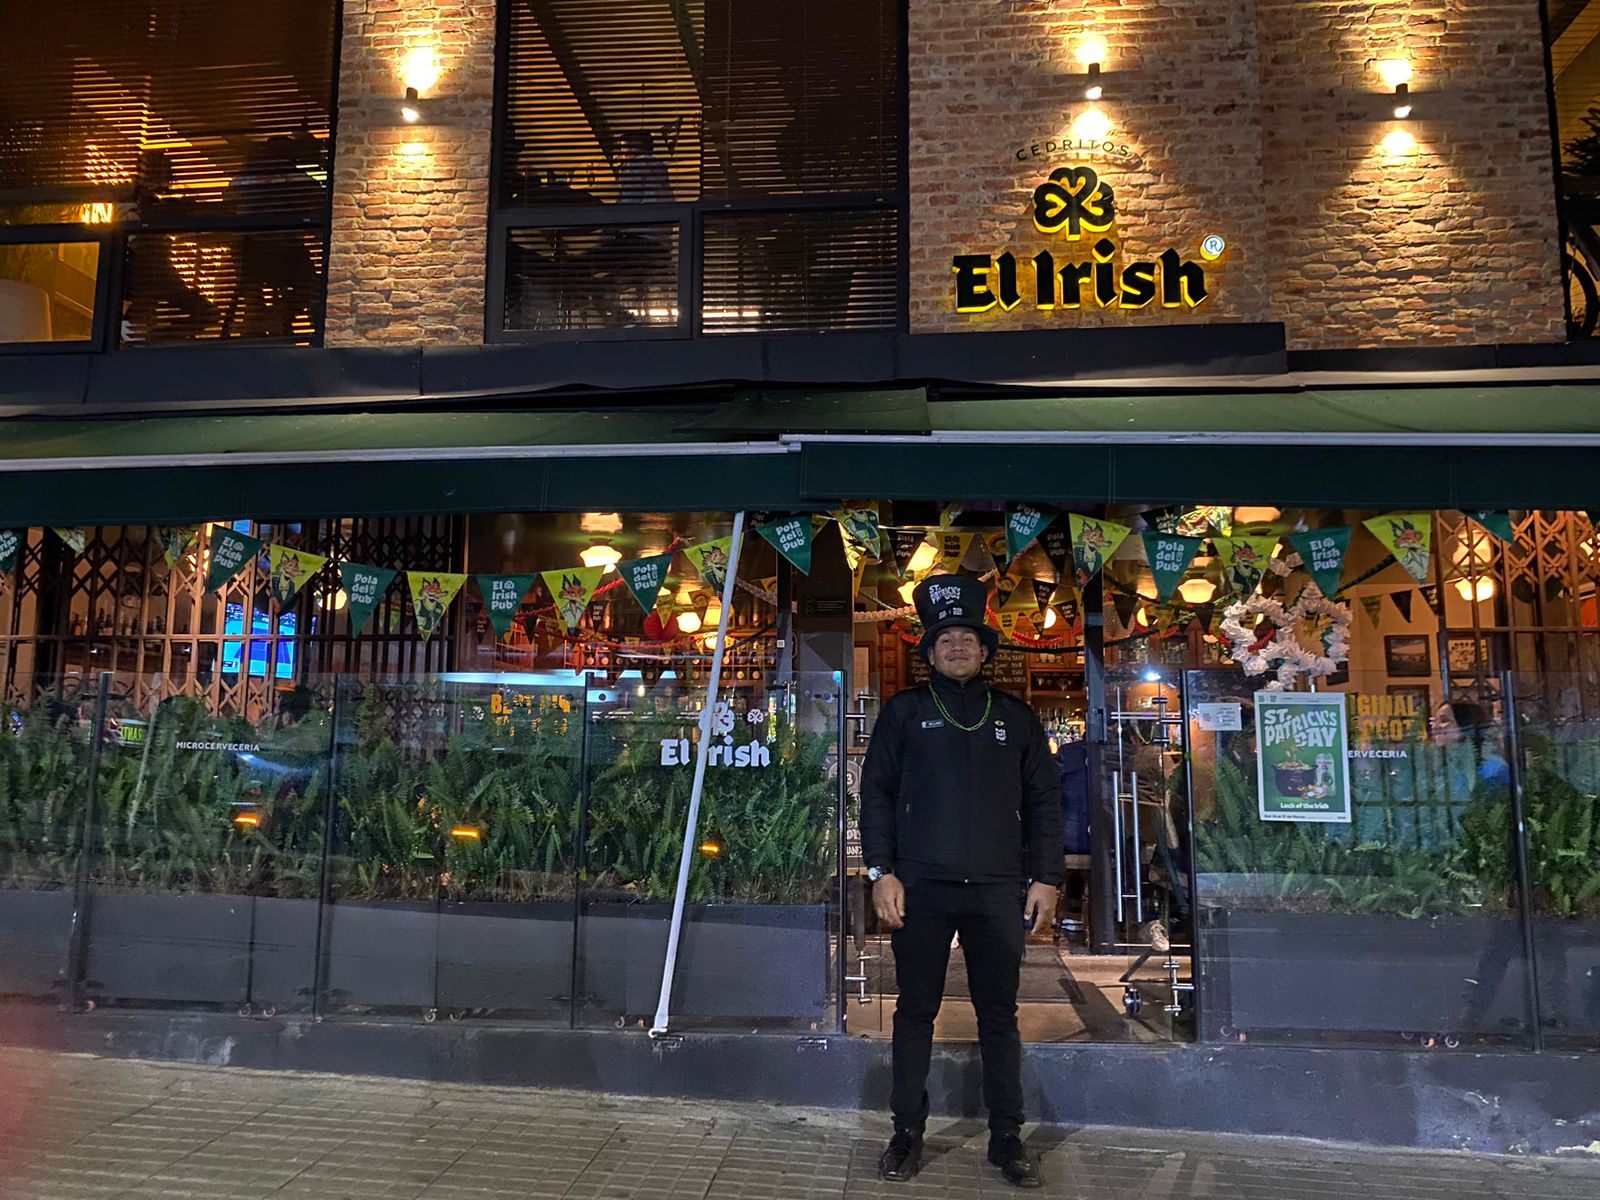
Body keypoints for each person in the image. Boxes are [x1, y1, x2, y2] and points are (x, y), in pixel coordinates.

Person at [860, 574, 1062, 1188]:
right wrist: (880, 872)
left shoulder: (1017, 718)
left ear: (985, 650)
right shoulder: (905, 712)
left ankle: (1007, 1138)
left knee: (999, 1014)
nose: (956, 647)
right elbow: (876, 796)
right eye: (945, 639)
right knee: (914, 1011)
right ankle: (905, 1133)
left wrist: (1047, 878)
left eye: (967, 638)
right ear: (928, 651)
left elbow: (1045, 803)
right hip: (920, 886)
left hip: (999, 889)